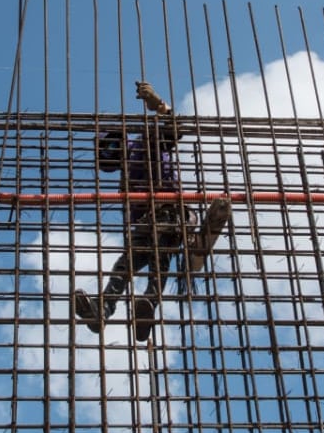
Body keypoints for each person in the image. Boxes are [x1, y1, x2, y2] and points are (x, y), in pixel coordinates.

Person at [72, 82, 228, 341]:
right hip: (146, 223)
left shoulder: (144, 144)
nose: (112, 152)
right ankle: (102, 309)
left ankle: (149, 303)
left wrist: (160, 107)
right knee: (123, 266)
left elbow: (174, 130)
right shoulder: (126, 175)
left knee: (159, 257)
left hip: (170, 215)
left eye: (112, 146)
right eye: (107, 151)